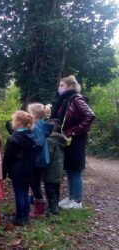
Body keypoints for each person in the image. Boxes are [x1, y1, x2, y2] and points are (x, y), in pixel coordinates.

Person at [50, 75, 96, 209]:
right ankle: (71, 198)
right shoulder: (65, 100)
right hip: (67, 139)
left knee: (76, 170)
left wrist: (74, 131)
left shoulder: (76, 99)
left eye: (62, 85)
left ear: (71, 86)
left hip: (76, 139)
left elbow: (90, 115)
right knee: (69, 169)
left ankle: (77, 201)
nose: (60, 88)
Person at [3, 111, 39, 226]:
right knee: (26, 193)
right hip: (29, 170)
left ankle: (19, 217)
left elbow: (7, 157)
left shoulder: (13, 138)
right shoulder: (32, 137)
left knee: (19, 193)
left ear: (17, 123)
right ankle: (26, 217)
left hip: (17, 171)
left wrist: (3, 172)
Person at [27, 103, 53, 218]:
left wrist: (28, 147)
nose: (28, 115)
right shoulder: (42, 124)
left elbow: (38, 143)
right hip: (41, 159)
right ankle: (37, 207)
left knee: (34, 184)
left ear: (34, 115)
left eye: (29, 113)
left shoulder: (36, 126)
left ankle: (39, 210)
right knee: (35, 183)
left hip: (36, 160)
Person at [42, 119, 67, 216]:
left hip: (51, 170)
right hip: (58, 169)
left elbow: (47, 156)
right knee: (55, 190)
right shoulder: (60, 140)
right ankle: (55, 206)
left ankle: (52, 208)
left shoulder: (50, 141)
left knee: (50, 190)